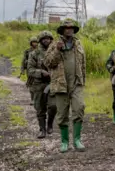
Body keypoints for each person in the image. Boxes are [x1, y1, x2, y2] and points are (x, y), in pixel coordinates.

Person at [44, 19, 87, 153]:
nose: (69, 30)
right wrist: (57, 50)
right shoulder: (54, 45)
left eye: (71, 28)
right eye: (67, 28)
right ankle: (64, 142)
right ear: (62, 30)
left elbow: (83, 64)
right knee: (62, 115)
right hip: (61, 85)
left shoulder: (78, 44)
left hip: (76, 84)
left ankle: (77, 140)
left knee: (79, 108)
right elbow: (48, 63)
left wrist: (82, 80)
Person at [28, 31, 57, 138]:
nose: (46, 40)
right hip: (38, 84)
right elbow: (30, 70)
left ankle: (50, 124)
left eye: (48, 38)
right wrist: (41, 72)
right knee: (40, 108)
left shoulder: (55, 52)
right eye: (44, 38)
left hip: (52, 83)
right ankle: (42, 129)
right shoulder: (34, 54)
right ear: (40, 40)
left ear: (51, 40)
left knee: (53, 106)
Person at [21, 36, 39, 105]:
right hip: (30, 70)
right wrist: (22, 70)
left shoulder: (39, 50)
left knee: (39, 85)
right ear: (31, 43)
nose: (35, 44)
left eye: (36, 42)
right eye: (33, 42)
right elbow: (23, 61)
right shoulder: (27, 51)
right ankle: (33, 99)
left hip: (38, 69)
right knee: (31, 85)